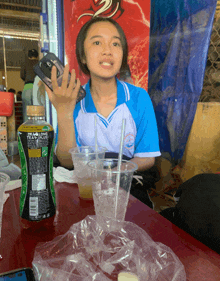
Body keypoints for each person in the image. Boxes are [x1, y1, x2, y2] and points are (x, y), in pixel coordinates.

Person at [46, 17, 161, 206]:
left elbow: (147, 157)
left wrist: (117, 172)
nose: (107, 50)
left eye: (115, 44)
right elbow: (66, 162)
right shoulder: (74, 99)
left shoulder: (139, 98)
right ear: (82, 56)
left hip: (126, 194)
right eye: (97, 42)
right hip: (84, 193)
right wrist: (64, 111)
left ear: (122, 55)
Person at [20, 49, 39, 122]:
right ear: (37, 56)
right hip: (37, 88)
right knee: (37, 111)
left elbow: (22, 75)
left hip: (27, 87)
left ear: (29, 56)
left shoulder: (25, 63)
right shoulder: (39, 63)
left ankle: (27, 130)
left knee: (26, 112)